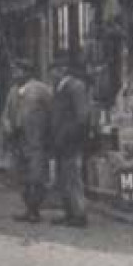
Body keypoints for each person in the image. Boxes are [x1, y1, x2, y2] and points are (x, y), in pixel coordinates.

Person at [2, 60, 54, 223]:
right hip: (18, 141)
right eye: (13, 71)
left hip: (36, 140)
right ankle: (28, 208)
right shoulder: (12, 91)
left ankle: (35, 209)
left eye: (17, 71)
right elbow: (5, 114)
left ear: (27, 72)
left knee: (37, 177)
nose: (14, 74)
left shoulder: (41, 90)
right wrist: (8, 126)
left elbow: (52, 112)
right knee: (21, 176)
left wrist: (48, 134)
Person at [50, 58, 94, 228]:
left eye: (53, 71)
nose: (52, 75)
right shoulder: (61, 88)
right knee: (64, 178)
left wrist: (71, 136)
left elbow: (82, 116)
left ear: (62, 69)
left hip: (70, 142)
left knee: (73, 178)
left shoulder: (75, 87)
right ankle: (69, 213)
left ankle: (79, 214)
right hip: (61, 141)